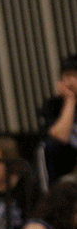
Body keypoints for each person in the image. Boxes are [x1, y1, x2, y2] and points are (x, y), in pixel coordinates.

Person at [39, 54, 77, 189]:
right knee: (48, 146)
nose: (69, 82)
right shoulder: (53, 105)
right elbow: (60, 136)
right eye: (65, 76)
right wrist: (71, 100)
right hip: (67, 164)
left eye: (74, 75)